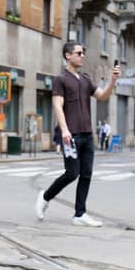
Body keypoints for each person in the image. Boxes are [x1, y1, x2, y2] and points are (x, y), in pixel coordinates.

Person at [35, 43, 120, 227]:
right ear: (68, 55)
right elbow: (58, 105)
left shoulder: (85, 79)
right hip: (71, 135)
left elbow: (103, 96)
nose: (82, 56)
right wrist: (65, 129)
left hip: (87, 134)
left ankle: (80, 214)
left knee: (86, 174)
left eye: (84, 52)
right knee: (72, 173)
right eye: (79, 53)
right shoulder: (60, 79)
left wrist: (113, 81)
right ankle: (45, 196)